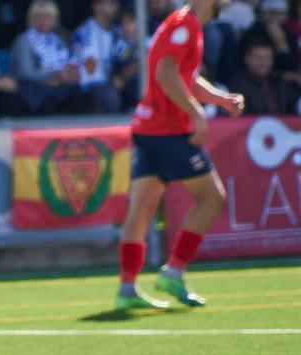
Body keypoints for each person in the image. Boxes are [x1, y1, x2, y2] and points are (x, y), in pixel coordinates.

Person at [117, 0, 245, 311]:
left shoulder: (184, 22)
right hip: (167, 129)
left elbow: (183, 76)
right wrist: (196, 112)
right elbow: (165, 73)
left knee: (142, 209)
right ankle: (174, 271)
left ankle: (127, 289)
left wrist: (220, 99)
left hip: (148, 126)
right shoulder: (186, 24)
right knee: (212, 197)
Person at [11, 0, 81, 115]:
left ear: (55, 19)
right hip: (34, 85)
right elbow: (25, 72)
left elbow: (70, 63)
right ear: (31, 18)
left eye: (48, 16)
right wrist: (53, 75)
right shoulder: (24, 40)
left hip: (59, 83)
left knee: (77, 91)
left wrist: (61, 77)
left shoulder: (60, 39)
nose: (43, 20)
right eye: (39, 16)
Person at [73, 0, 123, 113]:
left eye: (115, 3)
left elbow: (125, 56)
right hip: (91, 84)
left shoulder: (117, 30)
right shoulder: (86, 32)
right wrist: (113, 78)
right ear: (96, 6)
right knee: (110, 98)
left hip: (110, 79)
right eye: (110, 2)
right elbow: (91, 70)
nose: (115, 6)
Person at [229, 42, 299, 115]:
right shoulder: (238, 85)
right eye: (258, 58)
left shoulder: (281, 82)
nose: (264, 63)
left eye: (268, 57)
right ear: (247, 59)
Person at [241, 0, 301, 85]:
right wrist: (283, 76)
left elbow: (292, 68)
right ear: (262, 14)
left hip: (282, 86)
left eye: (280, 13)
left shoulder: (289, 33)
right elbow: (255, 67)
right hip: (252, 82)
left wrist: (282, 44)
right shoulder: (253, 32)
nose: (275, 17)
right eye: (271, 13)